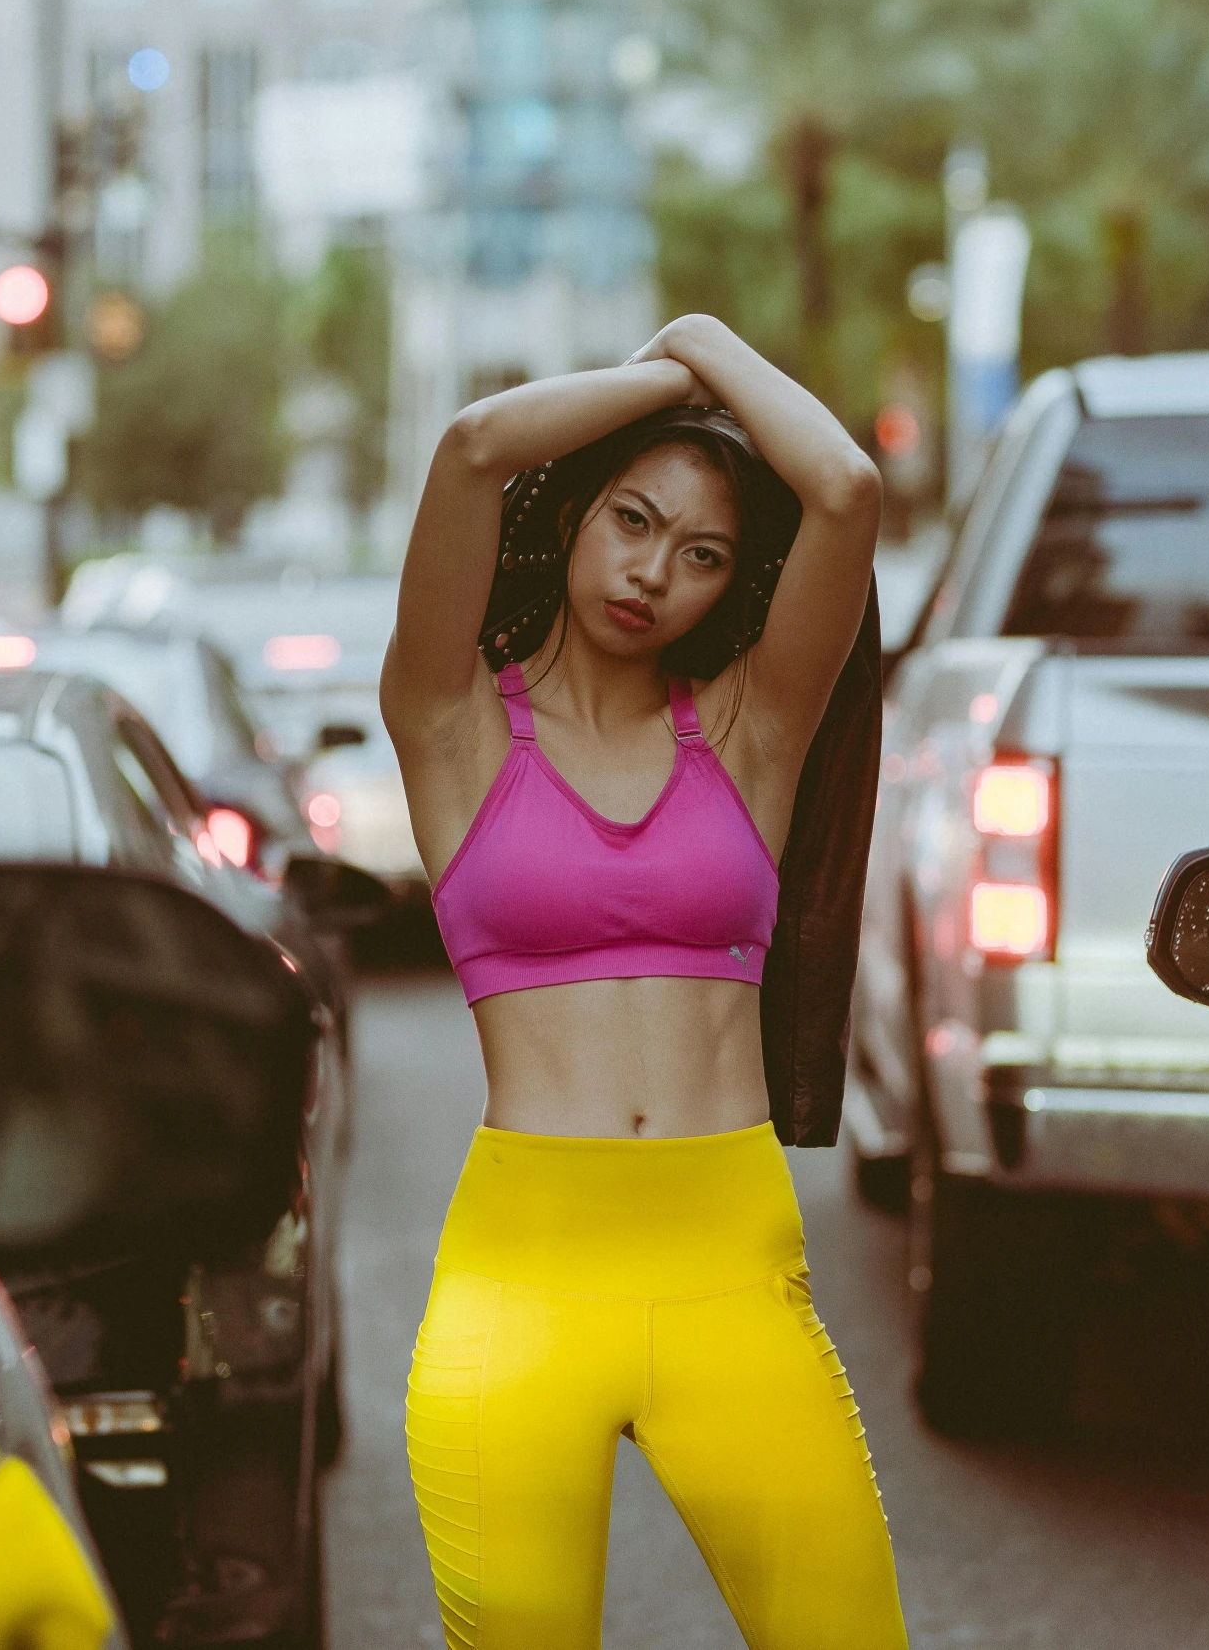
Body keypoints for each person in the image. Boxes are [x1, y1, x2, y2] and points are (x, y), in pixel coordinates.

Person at [381, 313, 907, 1650]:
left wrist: (709, 342)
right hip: (518, 1294)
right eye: (631, 517)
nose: (651, 570)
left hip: (730, 1278)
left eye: (701, 554)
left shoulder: (749, 732)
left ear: (728, 588)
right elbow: (471, 448)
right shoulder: (449, 725)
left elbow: (844, 487)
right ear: (571, 520)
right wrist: (662, 377)